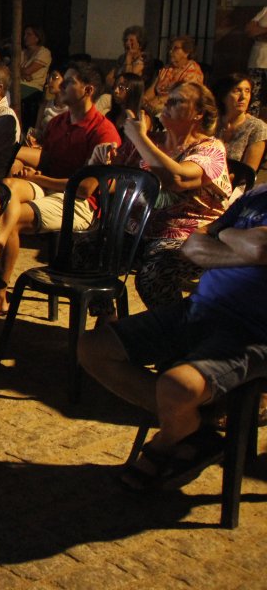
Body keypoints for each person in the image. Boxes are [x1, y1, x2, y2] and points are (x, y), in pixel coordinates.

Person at [78, 182, 267, 492]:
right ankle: (194, 429)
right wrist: (239, 244)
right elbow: (192, 246)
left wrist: (222, 236)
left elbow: (259, 248)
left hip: (253, 330)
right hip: (199, 307)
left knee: (176, 387)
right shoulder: (257, 196)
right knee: (93, 348)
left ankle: (166, 441)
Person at [0, 63, 120, 316]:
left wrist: (39, 178)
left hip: (80, 203)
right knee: (6, 188)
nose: (60, 86)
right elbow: (47, 160)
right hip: (52, 189)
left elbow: (84, 189)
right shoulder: (59, 122)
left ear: (88, 90)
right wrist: (19, 159)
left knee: (13, 215)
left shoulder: (102, 130)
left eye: (68, 82)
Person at [109, 81, 230, 308]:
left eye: (178, 101)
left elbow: (177, 179)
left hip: (187, 236)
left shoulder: (211, 149)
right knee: (88, 249)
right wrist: (104, 157)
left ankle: (175, 331)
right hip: (138, 230)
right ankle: (106, 313)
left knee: (154, 274)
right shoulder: (151, 139)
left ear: (198, 114)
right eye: (168, 99)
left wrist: (139, 138)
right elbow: (112, 178)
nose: (168, 104)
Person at [213, 73, 267, 173]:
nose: (243, 96)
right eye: (237, 91)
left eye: (247, 91)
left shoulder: (258, 127)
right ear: (223, 96)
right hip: (203, 178)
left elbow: (247, 173)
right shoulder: (212, 121)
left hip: (235, 183)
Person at [144, 35, 204, 115]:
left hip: (177, 108)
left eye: (175, 48)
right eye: (170, 48)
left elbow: (182, 96)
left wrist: (158, 100)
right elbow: (153, 88)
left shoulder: (193, 70)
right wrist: (144, 100)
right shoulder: (167, 68)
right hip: (157, 104)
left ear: (186, 53)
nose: (170, 51)